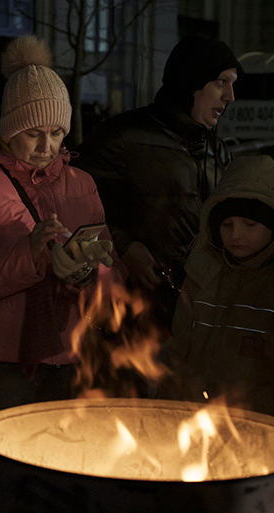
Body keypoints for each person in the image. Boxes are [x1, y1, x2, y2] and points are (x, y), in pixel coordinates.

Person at [0, 35, 118, 423]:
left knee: (62, 474)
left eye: (58, 133)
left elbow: (113, 272)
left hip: (71, 355)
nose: (48, 146)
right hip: (0, 363)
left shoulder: (81, 183)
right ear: (10, 130)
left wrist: (87, 273)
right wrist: (29, 256)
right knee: (7, 476)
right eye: (33, 133)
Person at [74, 35, 240, 328]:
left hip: (200, 316)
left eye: (232, 84)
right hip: (136, 319)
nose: (230, 96)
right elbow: (71, 203)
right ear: (192, 81)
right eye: (221, 82)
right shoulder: (123, 138)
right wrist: (123, 247)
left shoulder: (220, 152)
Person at [156, 156, 274, 431]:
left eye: (250, 224)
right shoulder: (202, 277)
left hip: (258, 434)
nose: (236, 235)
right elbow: (176, 354)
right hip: (193, 430)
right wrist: (162, 415)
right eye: (227, 225)